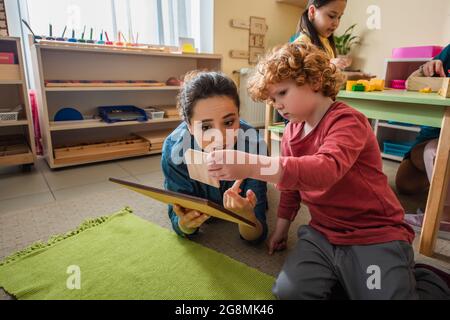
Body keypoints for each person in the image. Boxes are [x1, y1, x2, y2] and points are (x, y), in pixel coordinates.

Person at [206, 42, 450, 299]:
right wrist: (281, 228)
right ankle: (353, 274)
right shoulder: (291, 131)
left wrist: (250, 165)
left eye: (282, 93)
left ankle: (419, 277)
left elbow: (324, 170)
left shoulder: (347, 121)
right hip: (323, 232)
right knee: (289, 292)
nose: (276, 104)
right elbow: (290, 186)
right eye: (272, 99)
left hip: (374, 232)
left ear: (313, 80)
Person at [161, 71, 268, 243]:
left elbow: (257, 234)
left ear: (239, 117)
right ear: (188, 126)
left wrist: (246, 215)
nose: (220, 136)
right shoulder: (175, 151)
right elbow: (179, 221)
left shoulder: (254, 145)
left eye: (228, 122)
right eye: (205, 127)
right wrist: (186, 224)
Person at [396, 44, 450, 236]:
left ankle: (444, 215)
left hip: (442, 137)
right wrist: (424, 68)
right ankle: (440, 181)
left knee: (434, 151)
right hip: (433, 132)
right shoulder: (449, 51)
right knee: (405, 183)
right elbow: (410, 83)